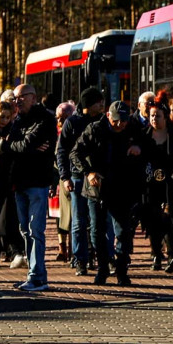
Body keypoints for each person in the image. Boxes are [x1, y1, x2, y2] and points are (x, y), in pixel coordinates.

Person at [72, 100, 148, 286]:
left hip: (122, 187)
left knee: (123, 231)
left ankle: (122, 270)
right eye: (115, 121)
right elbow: (75, 153)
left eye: (123, 121)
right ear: (108, 116)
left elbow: (148, 145)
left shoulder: (132, 128)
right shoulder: (94, 129)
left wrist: (139, 147)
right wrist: (88, 172)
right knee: (97, 231)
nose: (119, 124)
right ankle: (103, 268)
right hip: (97, 187)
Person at [7, 84, 58, 292]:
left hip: (37, 182)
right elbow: (12, 143)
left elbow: (25, 143)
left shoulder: (45, 118)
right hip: (20, 182)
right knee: (25, 230)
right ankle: (34, 274)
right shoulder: (18, 119)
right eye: (15, 98)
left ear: (33, 98)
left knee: (36, 229)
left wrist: (19, 145)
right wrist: (20, 145)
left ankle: (37, 277)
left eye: (21, 97)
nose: (17, 101)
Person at [57, 88, 107, 276]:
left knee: (98, 221)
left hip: (98, 176)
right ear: (88, 104)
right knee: (78, 220)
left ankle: (99, 255)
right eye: (98, 102)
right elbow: (62, 151)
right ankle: (80, 259)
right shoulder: (72, 123)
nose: (102, 105)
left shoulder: (102, 121)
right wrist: (65, 176)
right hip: (78, 176)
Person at [142, 102, 173, 272]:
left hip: (169, 184)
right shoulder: (144, 135)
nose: (154, 119)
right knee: (153, 222)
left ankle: (171, 256)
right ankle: (156, 256)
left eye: (158, 115)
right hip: (150, 185)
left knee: (169, 219)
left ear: (165, 117)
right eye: (152, 115)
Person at [0, 100, 26, 269]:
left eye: (8, 117)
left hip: (7, 179)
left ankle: (13, 251)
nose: (5, 120)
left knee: (9, 216)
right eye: (2, 116)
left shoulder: (13, 130)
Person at [53, 101, 76, 263]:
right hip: (56, 178)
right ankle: (62, 248)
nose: (60, 122)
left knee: (73, 214)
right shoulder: (53, 132)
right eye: (58, 118)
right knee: (59, 215)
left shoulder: (73, 130)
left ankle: (72, 248)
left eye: (64, 118)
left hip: (68, 175)